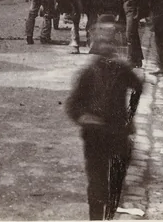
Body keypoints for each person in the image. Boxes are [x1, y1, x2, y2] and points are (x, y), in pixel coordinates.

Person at [64, 18, 144, 220]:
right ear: (97, 51)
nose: (108, 50)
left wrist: (129, 115)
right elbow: (73, 104)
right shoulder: (88, 74)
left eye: (111, 46)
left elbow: (138, 86)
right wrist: (84, 117)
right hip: (95, 136)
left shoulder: (122, 70)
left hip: (117, 133)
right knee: (98, 183)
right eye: (103, 47)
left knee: (115, 180)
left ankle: (108, 213)